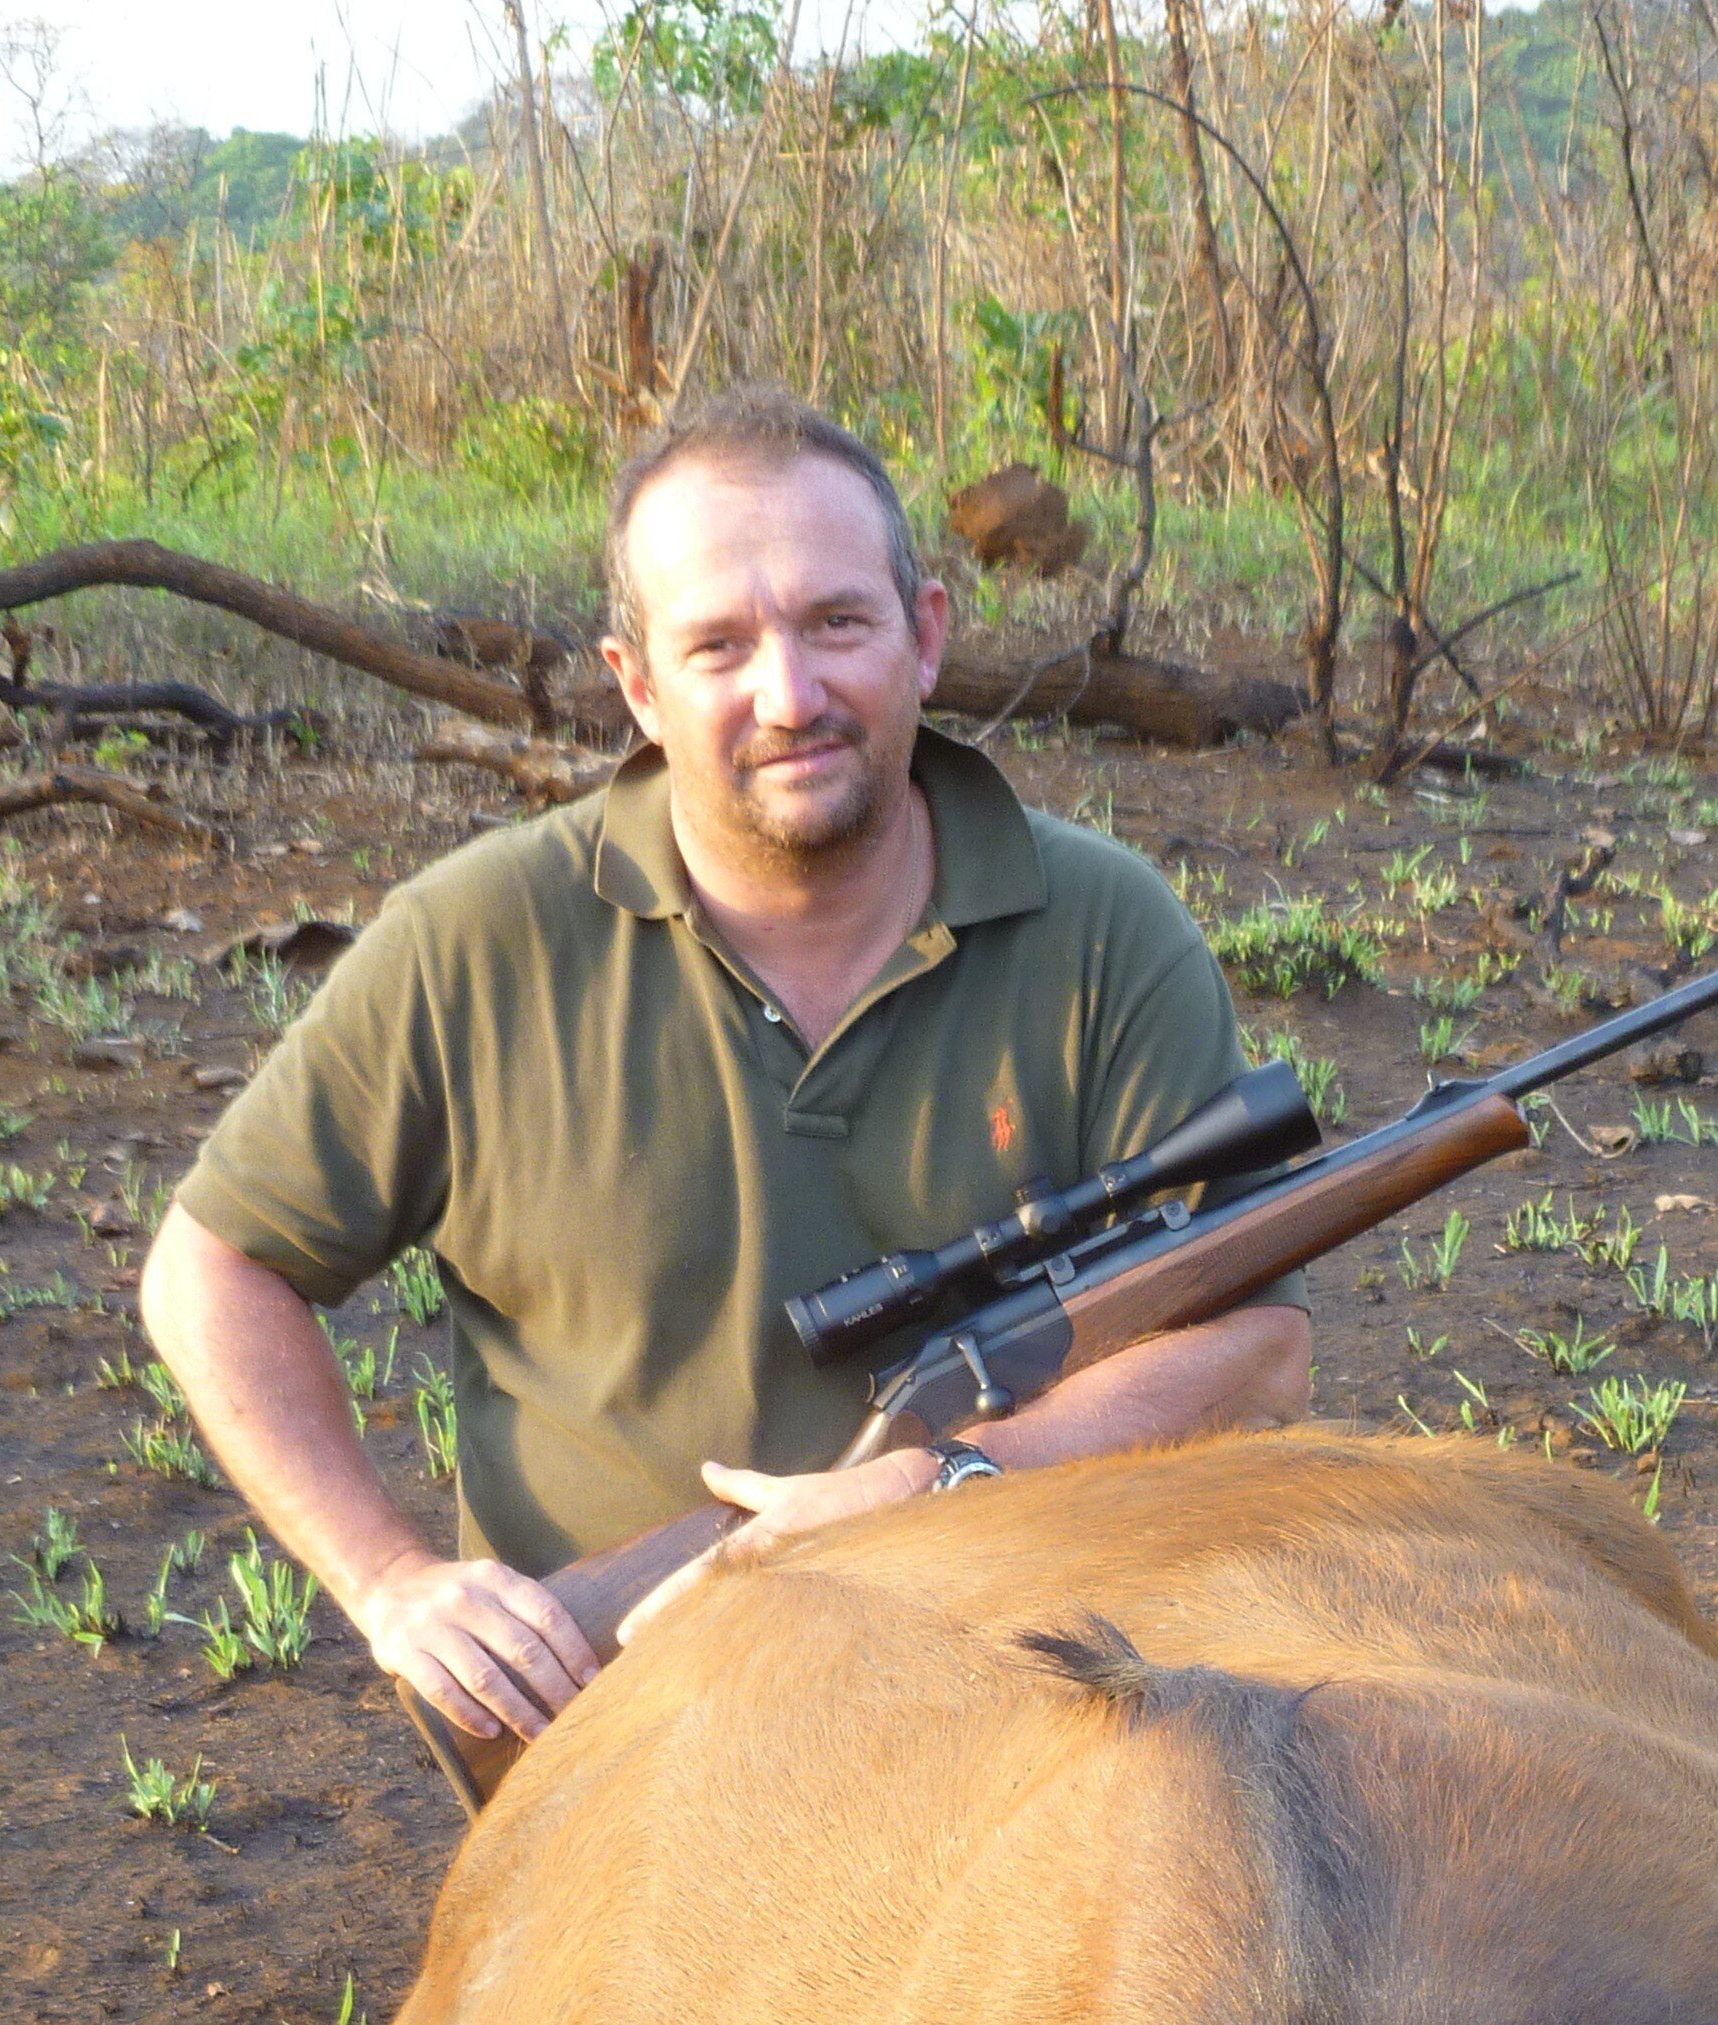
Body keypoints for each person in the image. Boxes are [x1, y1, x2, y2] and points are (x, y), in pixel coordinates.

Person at [140, 385, 1312, 1751]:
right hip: (629, 1749)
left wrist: (948, 1482)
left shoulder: (1107, 924)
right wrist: (392, 1583)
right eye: (719, 646)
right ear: (637, 686)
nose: (790, 696)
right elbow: (211, 1269)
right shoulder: (478, 937)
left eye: (838, 624)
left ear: (927, 636)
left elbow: (1256, 1344)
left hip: (1033, 1706)